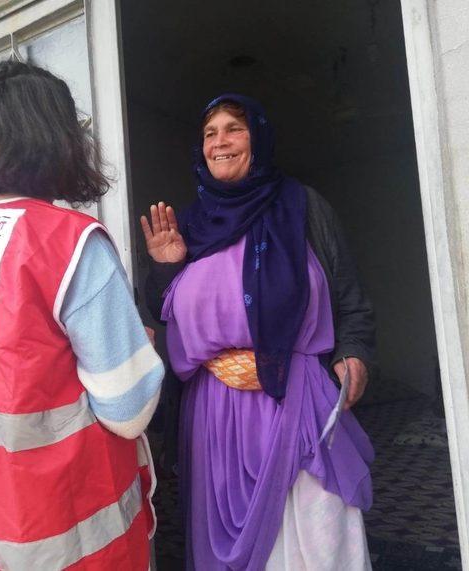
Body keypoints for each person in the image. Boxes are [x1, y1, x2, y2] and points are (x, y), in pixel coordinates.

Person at [0, 60, 164, 570]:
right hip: (76, 539)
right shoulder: (70, 244)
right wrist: (142, 347)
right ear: (57, 138)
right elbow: (129, 411)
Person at [141, 94, 375, 570]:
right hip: (215, 413)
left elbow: (349, 297)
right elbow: (159, 313)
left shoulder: (303, 207)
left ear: (259, 138)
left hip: (296, 398)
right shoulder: (190, 224)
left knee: (316, 535)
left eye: (234, 129)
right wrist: (166, 268)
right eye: (210, 133)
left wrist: (354, 353)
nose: (220, 142)